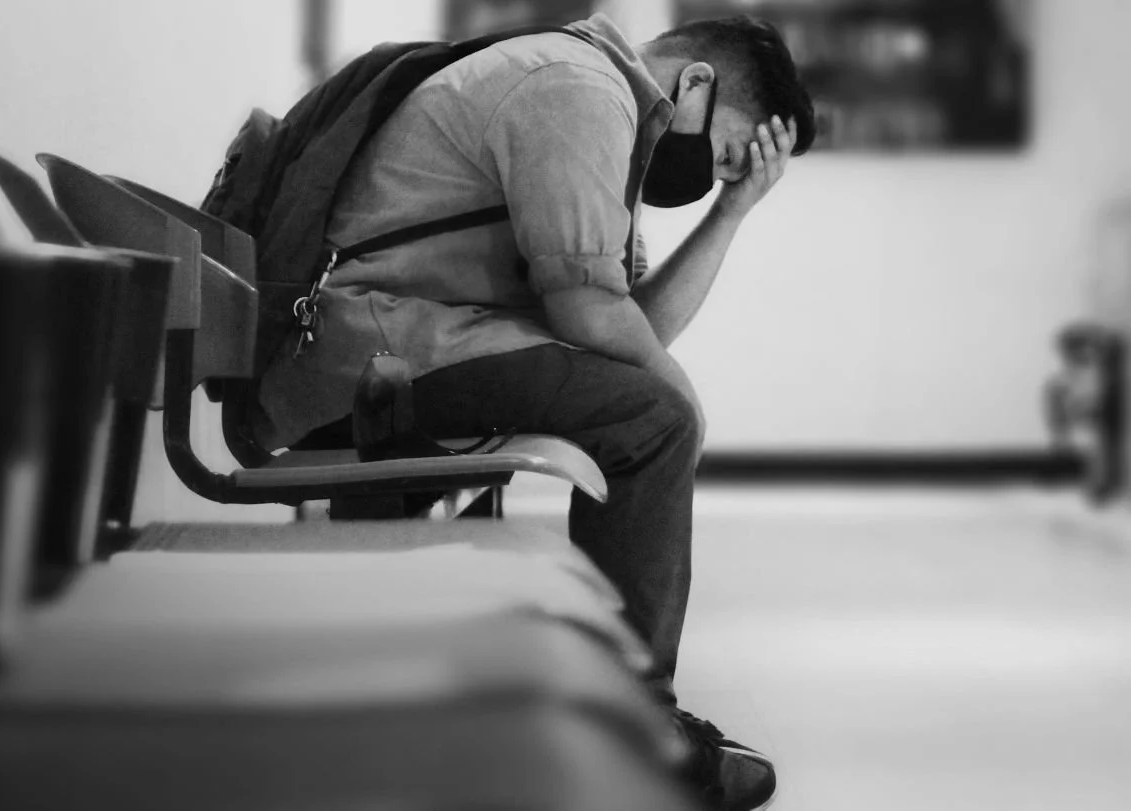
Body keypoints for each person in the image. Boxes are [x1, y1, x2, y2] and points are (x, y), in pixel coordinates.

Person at [250, 12, 815, 809]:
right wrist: (681, 399)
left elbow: (629, 328)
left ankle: (615, 713)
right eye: (726, 151)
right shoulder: (576, 89)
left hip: (407, 346)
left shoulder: (606, 111)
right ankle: (638, 732)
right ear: (695, 80)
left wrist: (732, 211)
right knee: (655, 419)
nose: (711, 174)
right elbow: (591, 314)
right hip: (378, 350)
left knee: (648, 406)